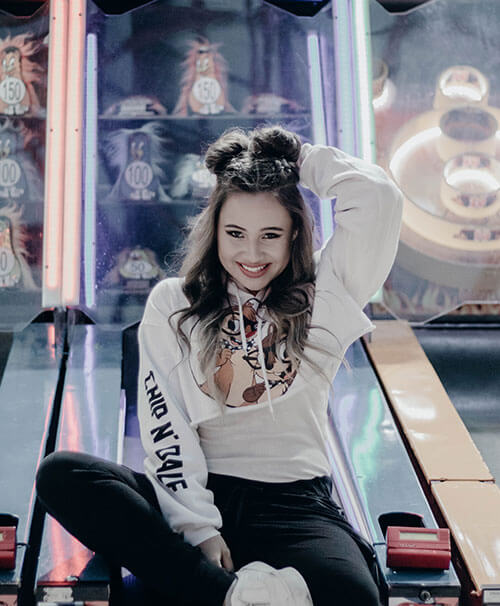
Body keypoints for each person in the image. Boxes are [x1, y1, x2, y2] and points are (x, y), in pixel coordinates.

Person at [36, 125, 403, 606]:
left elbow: (378, 197)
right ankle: (235, 594)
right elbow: (167, 426)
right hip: (196, 491)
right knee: (62, 475)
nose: (251, 254)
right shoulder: (175, 303)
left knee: (353, 597)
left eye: (270, 235)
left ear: (294, 235)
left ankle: (213, 594)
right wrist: (199, 529)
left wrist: (300, 157)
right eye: (235, 234)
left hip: (292, 503)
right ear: (215, 232)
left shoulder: (326, 293)